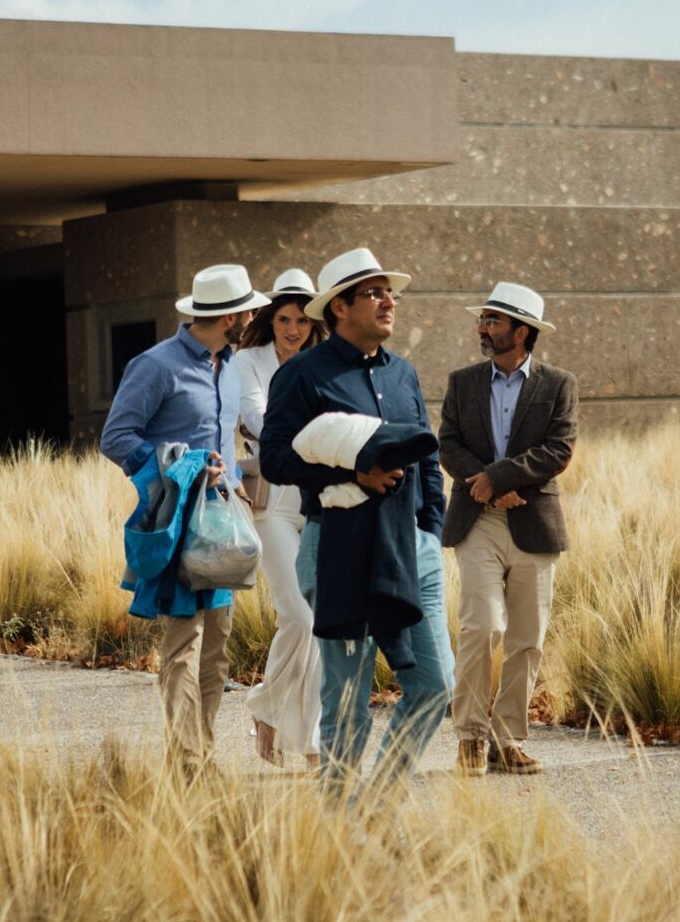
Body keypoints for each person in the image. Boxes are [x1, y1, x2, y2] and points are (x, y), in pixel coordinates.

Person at [257, 247, 452, 797]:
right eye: (374, 292)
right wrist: (353, 472)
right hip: (338, 547)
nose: (389, 300)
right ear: (338, 308)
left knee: (435, 684)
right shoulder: (302, 376)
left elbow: (428, 460)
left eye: (389, 292)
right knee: (346, 699)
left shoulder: (405, 374)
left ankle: (381, 800)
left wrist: (429, 531)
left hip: (411, 549)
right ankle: (341, 819)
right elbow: (275, 458)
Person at [99, 263, 268, 770]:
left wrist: (236, 481)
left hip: (225, 523)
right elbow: (117, 438)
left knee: (217, 647)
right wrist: (188, 469)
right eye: (249, 309)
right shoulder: (156, 366)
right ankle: (187, 761)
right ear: (229, 316)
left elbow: (228, 441)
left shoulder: (231, 366)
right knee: (184, 643)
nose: (255, 314)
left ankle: (203, 752)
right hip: (180, 522)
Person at [438, 282, 577, 776]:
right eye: (483, 319)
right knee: (482, 627)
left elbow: (558, 451)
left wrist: (499, 476)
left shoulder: (558, 384)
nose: (483, 327)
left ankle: (507, 740)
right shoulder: (462, 382)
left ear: (522, 331)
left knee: (526, 638)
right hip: (478, 522)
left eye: (493, 321)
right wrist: (490, 489)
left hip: (533, 525)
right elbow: (448, 445)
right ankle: (470, 737)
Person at [235, 267, 326, 768]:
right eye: (284, 319)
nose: (293, 330)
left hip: (318, 502)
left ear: (315, 324)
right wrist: (314, 431)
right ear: (271, 319)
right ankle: (298, 736)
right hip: (270, 502)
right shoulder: (248, 361)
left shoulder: (324, 362)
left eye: (302, 322)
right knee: (300, 616)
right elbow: (255, 417)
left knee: (318, 625)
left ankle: (277, 716)